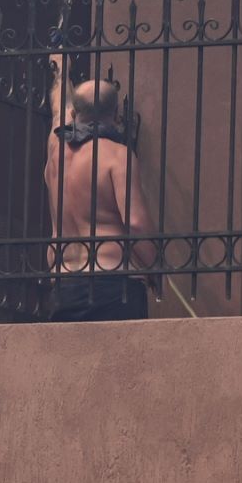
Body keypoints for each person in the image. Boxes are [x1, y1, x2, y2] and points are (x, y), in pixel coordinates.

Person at [46, 77, 158, 322]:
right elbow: (136, 224)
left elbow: (58, 111)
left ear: (74, 112)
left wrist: (62, 70)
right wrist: (155, 268)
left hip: (65, 283)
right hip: (113, 283)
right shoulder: (118, 156)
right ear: (117, 114)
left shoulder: (55, 153)